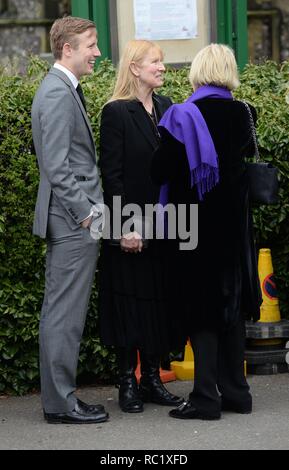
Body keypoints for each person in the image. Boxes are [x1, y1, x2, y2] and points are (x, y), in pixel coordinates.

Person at [151, 44, 262, 420]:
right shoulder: (246, 114)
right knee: (230, 308)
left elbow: (159, 170)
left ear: (198, 70)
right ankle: (237, 393)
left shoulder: (182, 116)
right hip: (234, 227)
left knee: (201, 310)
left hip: (193, 226)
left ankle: (204, 398)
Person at [98, 40, 184, 413]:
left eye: (162, 62)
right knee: (128, 304)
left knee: (158, 302)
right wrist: (125, 229)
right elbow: (111, 176)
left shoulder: (166, 107)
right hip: (129, 227)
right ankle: (127, 383)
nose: (162, 67)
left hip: (163, 226)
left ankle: (151, 379)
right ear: (134, 68)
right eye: (155, 61)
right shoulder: (115, 112)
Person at [31, 16, 108, 424]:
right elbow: (58, 168)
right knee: (64, 316)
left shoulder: (59, 88)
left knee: (63, 314)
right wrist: (86, 216)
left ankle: (61, 399)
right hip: (72, 222)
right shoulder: (58, 93)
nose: (97, 53)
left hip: (69, 220)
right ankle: (61, 404)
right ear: (68, 50)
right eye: (91, 45)